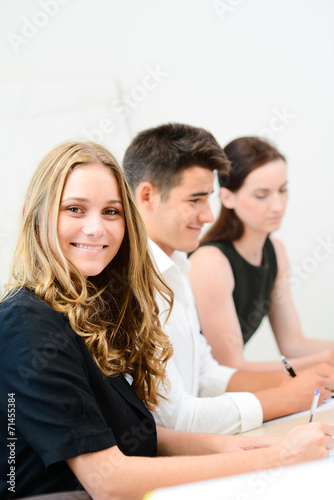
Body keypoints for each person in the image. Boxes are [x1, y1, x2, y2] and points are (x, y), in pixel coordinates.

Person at [3, 141, 333, 500]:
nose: (96, 228)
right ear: (32, 216)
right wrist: (279, 457)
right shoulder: (25, 322)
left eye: (111, 212)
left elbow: (135, 433)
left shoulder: (93, 308)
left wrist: (247, 448)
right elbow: (108, 481)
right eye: (75, 209)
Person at [123, 123, 334, 437]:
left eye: (282, 190)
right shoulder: (141, 281)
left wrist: (304, 379)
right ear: (147, 196)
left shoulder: (177, 267)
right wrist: (285, 395)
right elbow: (173, 419)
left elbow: (208, 375)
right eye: (195, 200)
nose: (208, 215)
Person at [189, 136, 334, 372]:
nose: (278, 205)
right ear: (227, 197)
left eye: (283, 190)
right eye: (262, 195)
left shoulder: (275, 251)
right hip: (200, 397)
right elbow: (229, 370)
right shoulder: (210, 263)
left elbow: (293, 344)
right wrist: (325, 362)